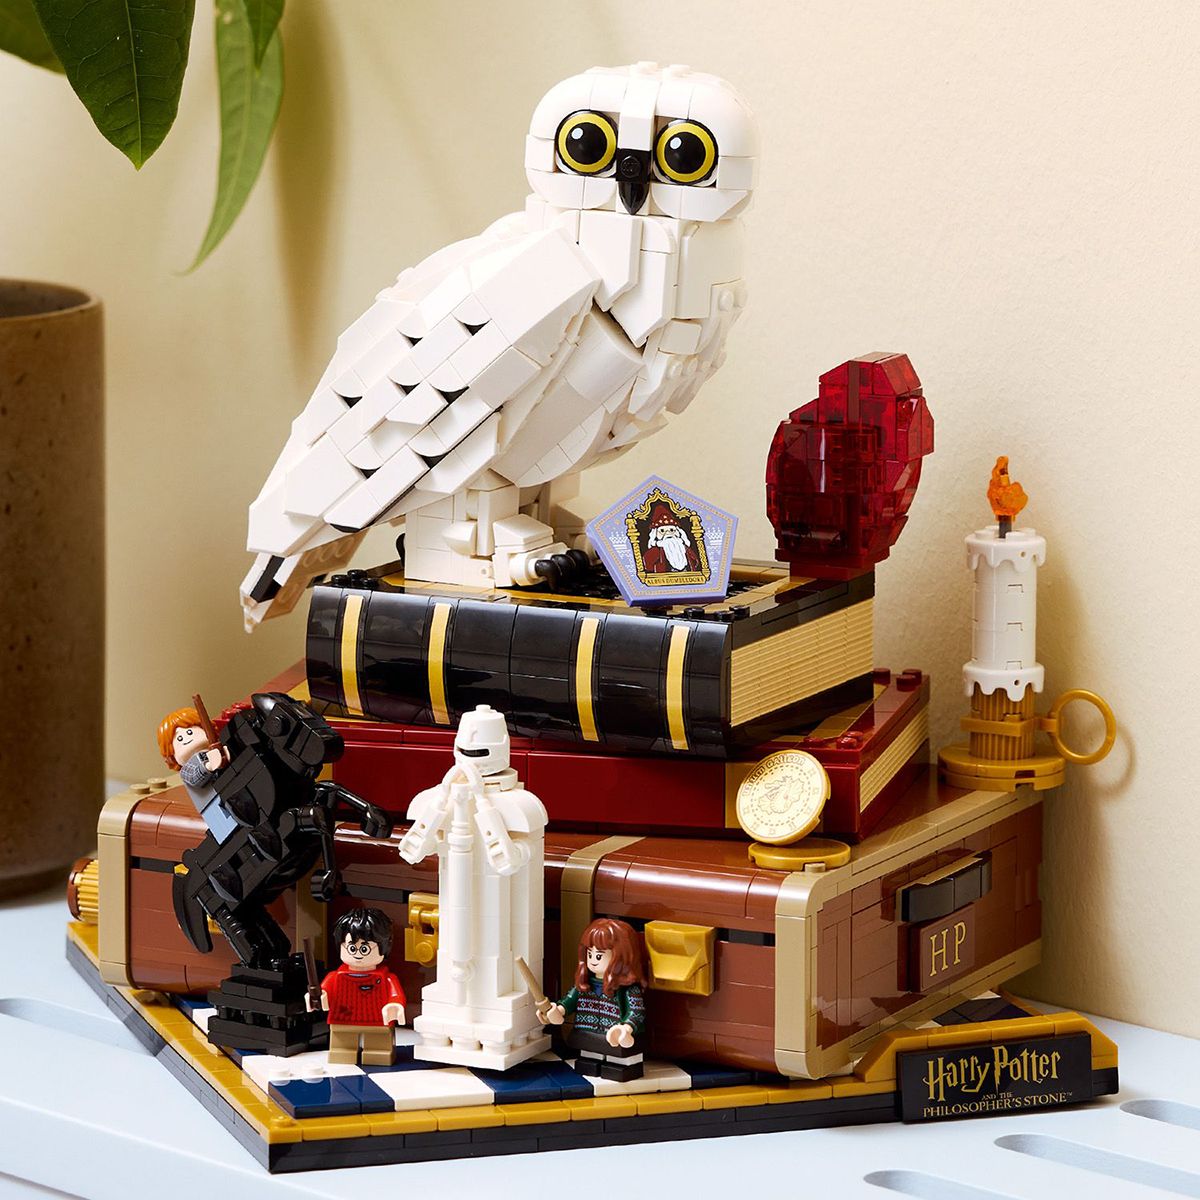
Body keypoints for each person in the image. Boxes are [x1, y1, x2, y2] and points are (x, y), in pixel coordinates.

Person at [538, 917, 649, 1081]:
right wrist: (556, 1011)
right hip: (588, 1034)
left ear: (620, 957)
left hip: (616, 1037)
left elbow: (636, 1011)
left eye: (599, 956)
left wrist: (626, 1028)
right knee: (589, 1059)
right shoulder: (584, 984)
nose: (592, 960)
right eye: (590, 954)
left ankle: (623, 1067)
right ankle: (592, 1063)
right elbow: (569, 1001)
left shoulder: (627, 989)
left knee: (619, 1064)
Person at [313, 908, 407, 1067]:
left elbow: (396, 995)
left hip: (377, 1019)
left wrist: (395, 1005)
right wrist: (318, 995)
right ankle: (343, 1052)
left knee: (378, 1046)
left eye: (364, 949)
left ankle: (378, 1053)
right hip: (343, 1017)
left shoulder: (387, 978)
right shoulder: (335, 977)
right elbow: (323, 991)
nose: (358, 954)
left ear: (384, 947)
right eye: (351, 948)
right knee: (343, 1046)